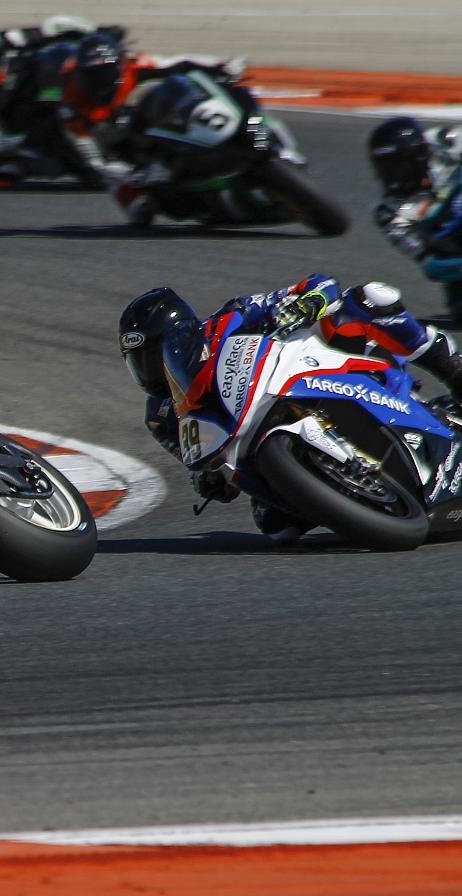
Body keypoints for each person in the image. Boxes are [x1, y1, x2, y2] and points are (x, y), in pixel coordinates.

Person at [117, 275, 462, 541]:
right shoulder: (161, 417)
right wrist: (206, 478)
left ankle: (452, 366)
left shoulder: (227, 320)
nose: (151, 368)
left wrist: (305, 304)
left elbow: (321, 284)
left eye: (157, 354)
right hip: (259, 449)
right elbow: (199, 465)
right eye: (139, 362)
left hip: (324, 372)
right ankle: (372, 497)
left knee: (368, 299)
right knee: (275, 526)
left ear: (185, 334)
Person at [56, 32, 245, 223]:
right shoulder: (71, 104)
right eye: (92, 74)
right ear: (80, 72)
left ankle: (219, 142)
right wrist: (131, 175)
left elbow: (181, 62)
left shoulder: (136, 64)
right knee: (139, 214)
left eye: (105, 72)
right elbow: (94, 160)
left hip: (151, 119)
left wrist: (221, 65)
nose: (99, 80)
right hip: (117, 142)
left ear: (119, 65)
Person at [0, 15, 111, 185]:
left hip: (48, 91)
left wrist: (96, 35)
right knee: (2, 171)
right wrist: (19, 140)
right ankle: (65, 161)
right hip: (17, 123)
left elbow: (57, 25)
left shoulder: (12, 39)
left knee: (59, 60)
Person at [368, 117, 462, 319]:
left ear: (417, 156)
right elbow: (430, 264)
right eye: (383, 165)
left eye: (395, 163)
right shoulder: (385, 210)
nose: (389, 172)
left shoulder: (443, 142)